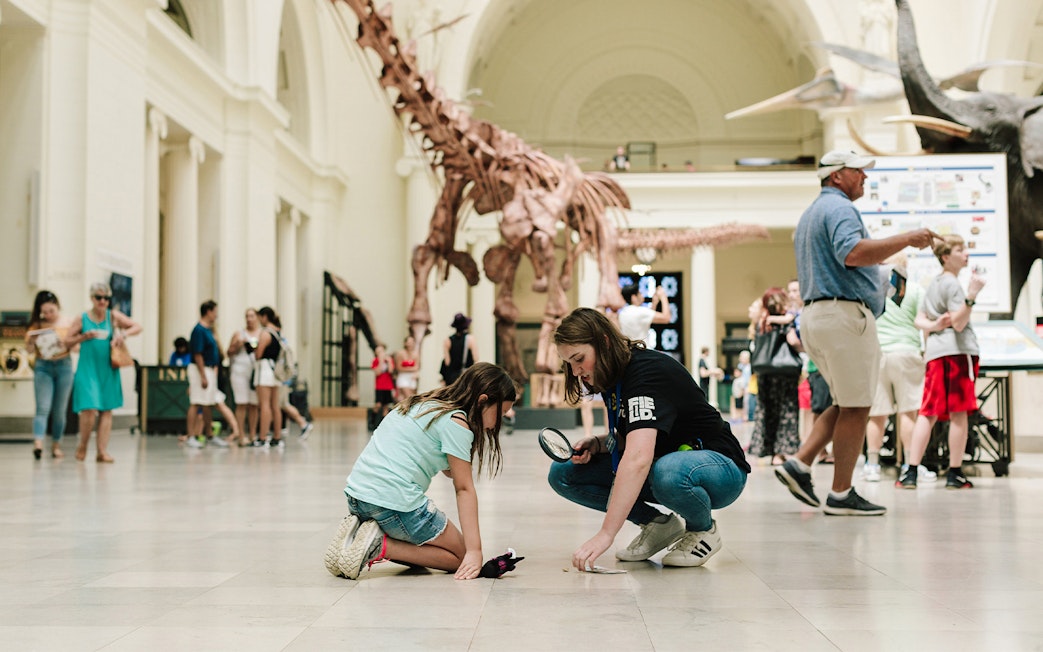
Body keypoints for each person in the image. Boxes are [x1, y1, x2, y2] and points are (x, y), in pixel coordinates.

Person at [775, 149, 940, 516]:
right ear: (836, 176)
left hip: (819, 314)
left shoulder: (811, 214)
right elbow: (851, 253)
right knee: (858, 405)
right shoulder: (839, 209)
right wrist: (906, 239)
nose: (865, 177)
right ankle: (840, 492)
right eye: (858, 171)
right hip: (844, 316)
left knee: (846, 400)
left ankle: (800, 463)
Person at [548, 308, 749, 571]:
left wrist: (606, 534)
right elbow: (640, 435)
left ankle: (703, 530)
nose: (576, 372)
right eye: (569, 364)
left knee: (667, 470)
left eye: (579, 359)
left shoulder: (646, 371)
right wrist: (598, 444)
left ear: (604, 342)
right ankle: (658, 525)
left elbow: (639, 458)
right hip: (667, 465)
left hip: (721, 467)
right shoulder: (613, 376)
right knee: (564, 472)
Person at [326, 362, 517, 580]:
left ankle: (356, 539)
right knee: (459, 557)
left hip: (357, 498)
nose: (498, 423)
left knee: (423, 559)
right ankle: (379, 545)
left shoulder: (423, 404)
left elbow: (449, 470)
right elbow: (463, 488)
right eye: (501, 412)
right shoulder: (457, 421)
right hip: (392, 505)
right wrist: (474, 552)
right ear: (483, 400)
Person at [897, 235, 985, 490]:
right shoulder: (954, 286)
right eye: (960, 250)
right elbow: (959, 323)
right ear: (946, 257)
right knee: (959, 412)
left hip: (936, 353)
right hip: (957, 353)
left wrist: (935, 326)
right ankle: (955, 472)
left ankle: (911, 471)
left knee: (929, 411)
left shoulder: (934, 284)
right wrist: (971, 297)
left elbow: (919, 319)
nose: (966, 254)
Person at [863, 254, 937, 483]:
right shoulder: (914, 290)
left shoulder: (873, 289)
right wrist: (926, 352)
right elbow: (925, 325)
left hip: (877, 354)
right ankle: (910, 464)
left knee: (876, 414)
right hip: (907, 353)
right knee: (908, 412)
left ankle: (872, 464)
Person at [64, 282, 142, 463]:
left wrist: (123, 335)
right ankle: (83, 444)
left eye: (106, 298)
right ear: (92, 298)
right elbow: (67, 340)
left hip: (108, 368)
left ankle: (102, 451)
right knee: (89, 408)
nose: (103, 301)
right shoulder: (82, 318)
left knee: (107, 409)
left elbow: (137, 326)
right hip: (88, 368)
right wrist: (84, 336)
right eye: (99, 298)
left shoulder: (112, 316)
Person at [747, 287, 801, 465]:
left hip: (765, 372)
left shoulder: (762, 322)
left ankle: (767, 449)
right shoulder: (786, 322)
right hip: (785, 373)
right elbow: (793, 341)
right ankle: (781, 453)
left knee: (767, 410)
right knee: (787, 410)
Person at [25, 290, 74, 460]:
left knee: (59, 410)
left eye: (51, 311)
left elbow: (76, 348)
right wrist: (31, 342)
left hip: (64, 366)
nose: (48, 315)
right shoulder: (36, 325)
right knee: (42, 407)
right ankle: (38, 443)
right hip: (43, 366)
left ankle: (56, 445)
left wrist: (65, 343)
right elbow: (29, 351)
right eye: (44, 312)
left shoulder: (68, 323)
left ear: (58, 307)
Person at [184, 300, 228, 449]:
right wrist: (203, 375)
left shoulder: (209, 330)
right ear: (208, 311)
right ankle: (191, 436)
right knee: (196, 401)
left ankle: (209, 434)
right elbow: (197, 354)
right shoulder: (198, 330)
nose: (216, 315)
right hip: (200, 369)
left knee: (208, 403)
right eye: (215, 312)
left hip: (209, 369)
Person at [226, 308, 262, 445]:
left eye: (252, 316)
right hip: (239, 371)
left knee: (254, 404)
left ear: (257, 317)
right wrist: (237, 345)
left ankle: (252, 434)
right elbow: (228, 352)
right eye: (247, 316)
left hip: (254, 372)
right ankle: (241, 435)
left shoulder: (261, 334)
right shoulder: (238, 334)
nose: (249, 319)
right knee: (241, 403)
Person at [252, 306, 284, 448]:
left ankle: (262, 437)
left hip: (264, 370)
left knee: (264, 405)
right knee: (275, 406)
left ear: (264, 317)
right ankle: (277, 436)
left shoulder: (265, 333)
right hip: (275, 371)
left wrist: (253, 348)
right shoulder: (277, 332)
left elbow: (258, 354)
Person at [617, 284, 670, 348]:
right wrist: (663, 296)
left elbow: (645, 319)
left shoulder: (622, 313)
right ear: (634, 297)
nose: (642, 295)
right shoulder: (640, 311)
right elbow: (666, 318)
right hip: (643, 350)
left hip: (630, 350)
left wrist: (654, 303)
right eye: (640, 293)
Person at [441, 313, 478, 385]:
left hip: (451, 378)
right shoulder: (470, 339)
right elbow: (476, 358)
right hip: (465, 377)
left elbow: (447, 362)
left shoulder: (448, 340)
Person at [370, 343, 395, 429]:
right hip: (379, 386)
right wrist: (380, 361)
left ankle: (383, 425)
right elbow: (378, 372)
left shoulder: (389, 360)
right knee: (378, 404)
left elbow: (391, 371)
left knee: (386, 406)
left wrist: (388, 362)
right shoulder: (375, 361)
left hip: (388, 386)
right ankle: (372, 422)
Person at [393, 335, 420, 401]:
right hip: (403, 377)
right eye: (409, 342)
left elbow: (417, 367)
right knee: (408, 397)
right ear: (405, 343)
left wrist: (409, 369)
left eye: (412, 342)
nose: (410, 344)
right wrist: (411, 369)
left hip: (412, 377)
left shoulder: (416, 354)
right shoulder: (400, 353)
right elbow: (399, 368)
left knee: (410, 397)